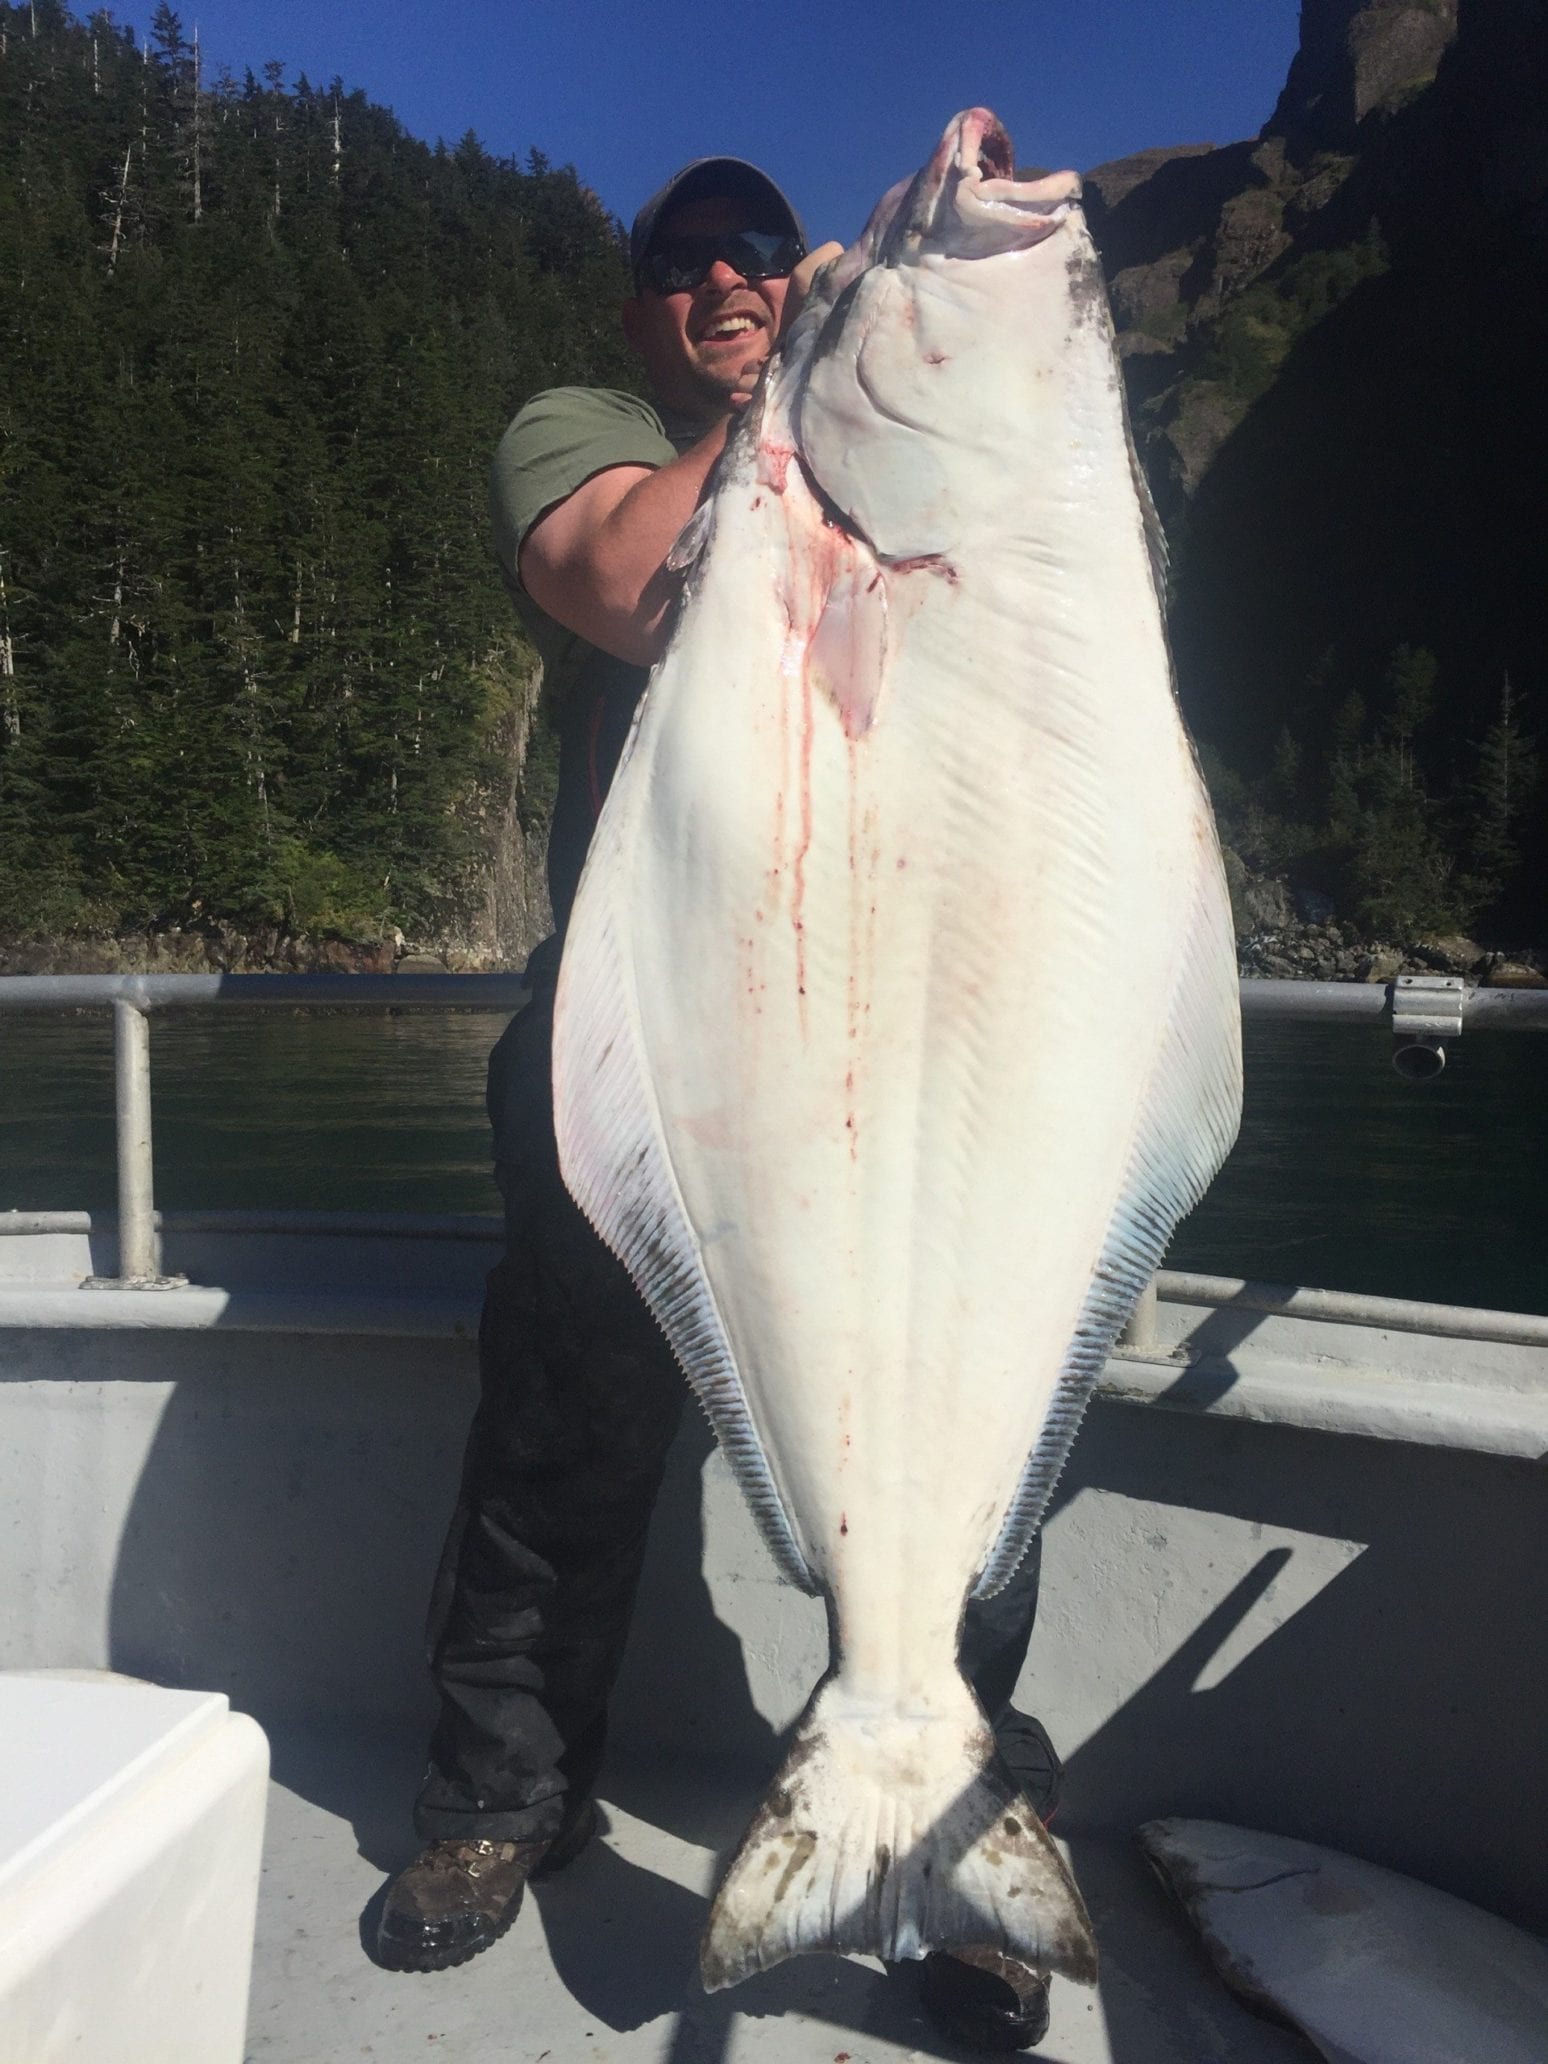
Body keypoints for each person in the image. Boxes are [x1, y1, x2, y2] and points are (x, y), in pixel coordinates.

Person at [375, 153, 1062, 2052]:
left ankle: (957, 1815)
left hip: (897, 1049)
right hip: (641, 1062)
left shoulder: (867, 450)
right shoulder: (586, 430)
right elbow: (617, 586)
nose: (728, 282)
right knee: (563, 1437)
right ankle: (497, 1802)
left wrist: (911, 364)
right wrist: (798, 390)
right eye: (686, 265)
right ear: (643, 311)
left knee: (967, 1448)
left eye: (759, 256)